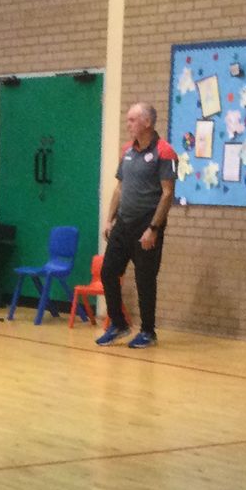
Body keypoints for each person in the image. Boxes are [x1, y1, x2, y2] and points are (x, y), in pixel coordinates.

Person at [98, 101, 177, 349]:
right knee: (108, 272)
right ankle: (119, 324)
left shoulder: (165, 152)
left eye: (132, 119)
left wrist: (153, 228)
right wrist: (110, 219)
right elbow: (120, 187)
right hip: (124, 223)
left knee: (145, 280)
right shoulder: (127, 151)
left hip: (147, 225)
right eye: (128, 119)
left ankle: (148, 331)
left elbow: (167, 194)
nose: (128, 123)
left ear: (147, 122)